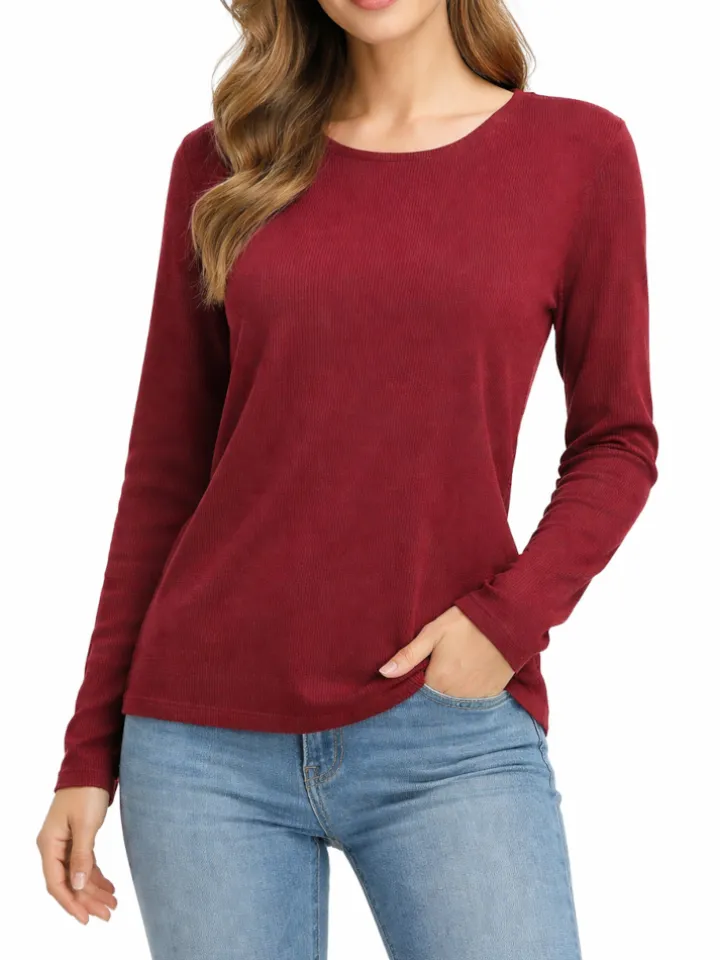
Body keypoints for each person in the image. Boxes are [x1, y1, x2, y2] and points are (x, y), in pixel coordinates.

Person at [36, 0, 659, 956]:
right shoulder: (224, 162)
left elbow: (618, 442)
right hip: (203, 746)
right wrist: (88, 750)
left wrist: (507, 622)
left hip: (445, 733)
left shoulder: (579, 154)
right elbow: (165, 471)